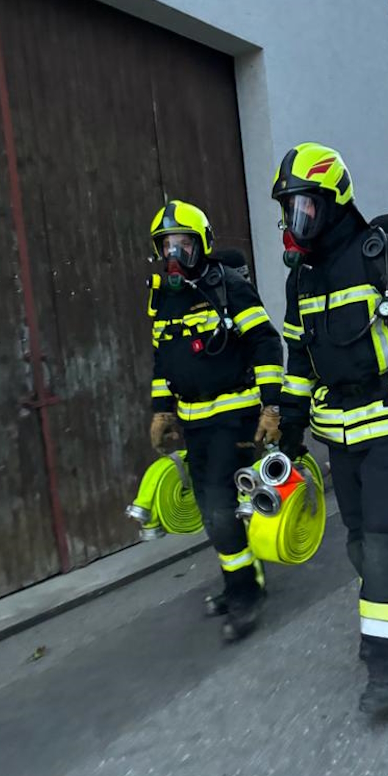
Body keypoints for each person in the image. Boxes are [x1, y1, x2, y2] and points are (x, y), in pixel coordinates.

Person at [272, 143, 388, 716]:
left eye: (304, 207)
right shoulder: (300, 280)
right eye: (289, 209)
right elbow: (299, 358)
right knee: (359, 541)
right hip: (338, 435)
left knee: (384, 541)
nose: (295, 220)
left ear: (333, 203)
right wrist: (290, 426)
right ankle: (386, 617)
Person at [147, 200, 284, 641]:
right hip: (195, 420)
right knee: (213, 510)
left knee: (219, 504)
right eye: (167, 245)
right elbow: (162, 358)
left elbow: (265, 342)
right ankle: (238, 581)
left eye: (183, 243)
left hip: (234, 414)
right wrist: (162, 409)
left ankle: (248, 592)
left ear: (202, 244)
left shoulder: (229, 287)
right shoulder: (164, 297)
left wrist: (270, 407)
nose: (174, 254)